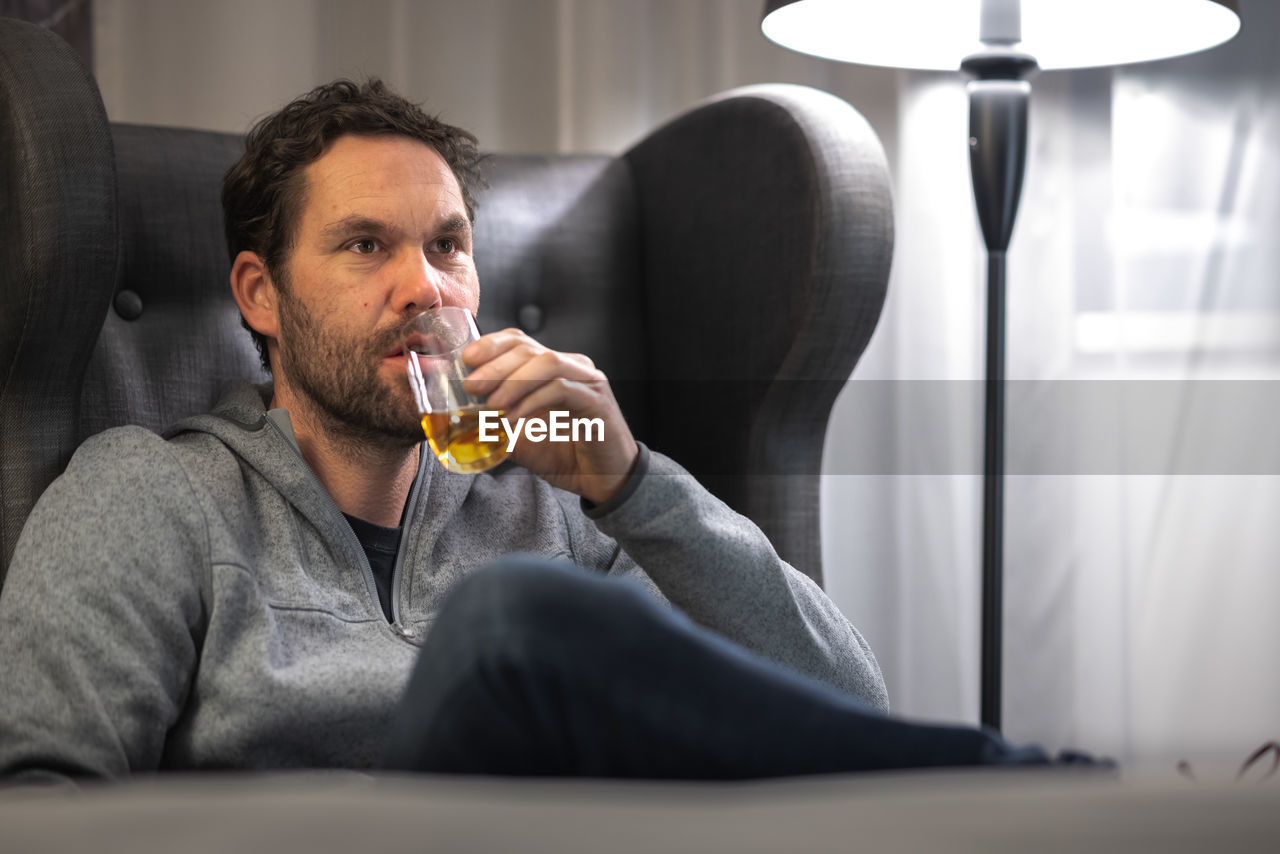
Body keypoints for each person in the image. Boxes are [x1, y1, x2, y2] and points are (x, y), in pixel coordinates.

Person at [0, 79, 1085, 785]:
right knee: (514, 615)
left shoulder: (551, 505)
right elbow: (36, 794)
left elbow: (847, 706)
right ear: (261, 295)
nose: (423, 286)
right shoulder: (148, 491)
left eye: (447, 246)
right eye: (365, 246)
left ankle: (1032, 794)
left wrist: (631, 484)